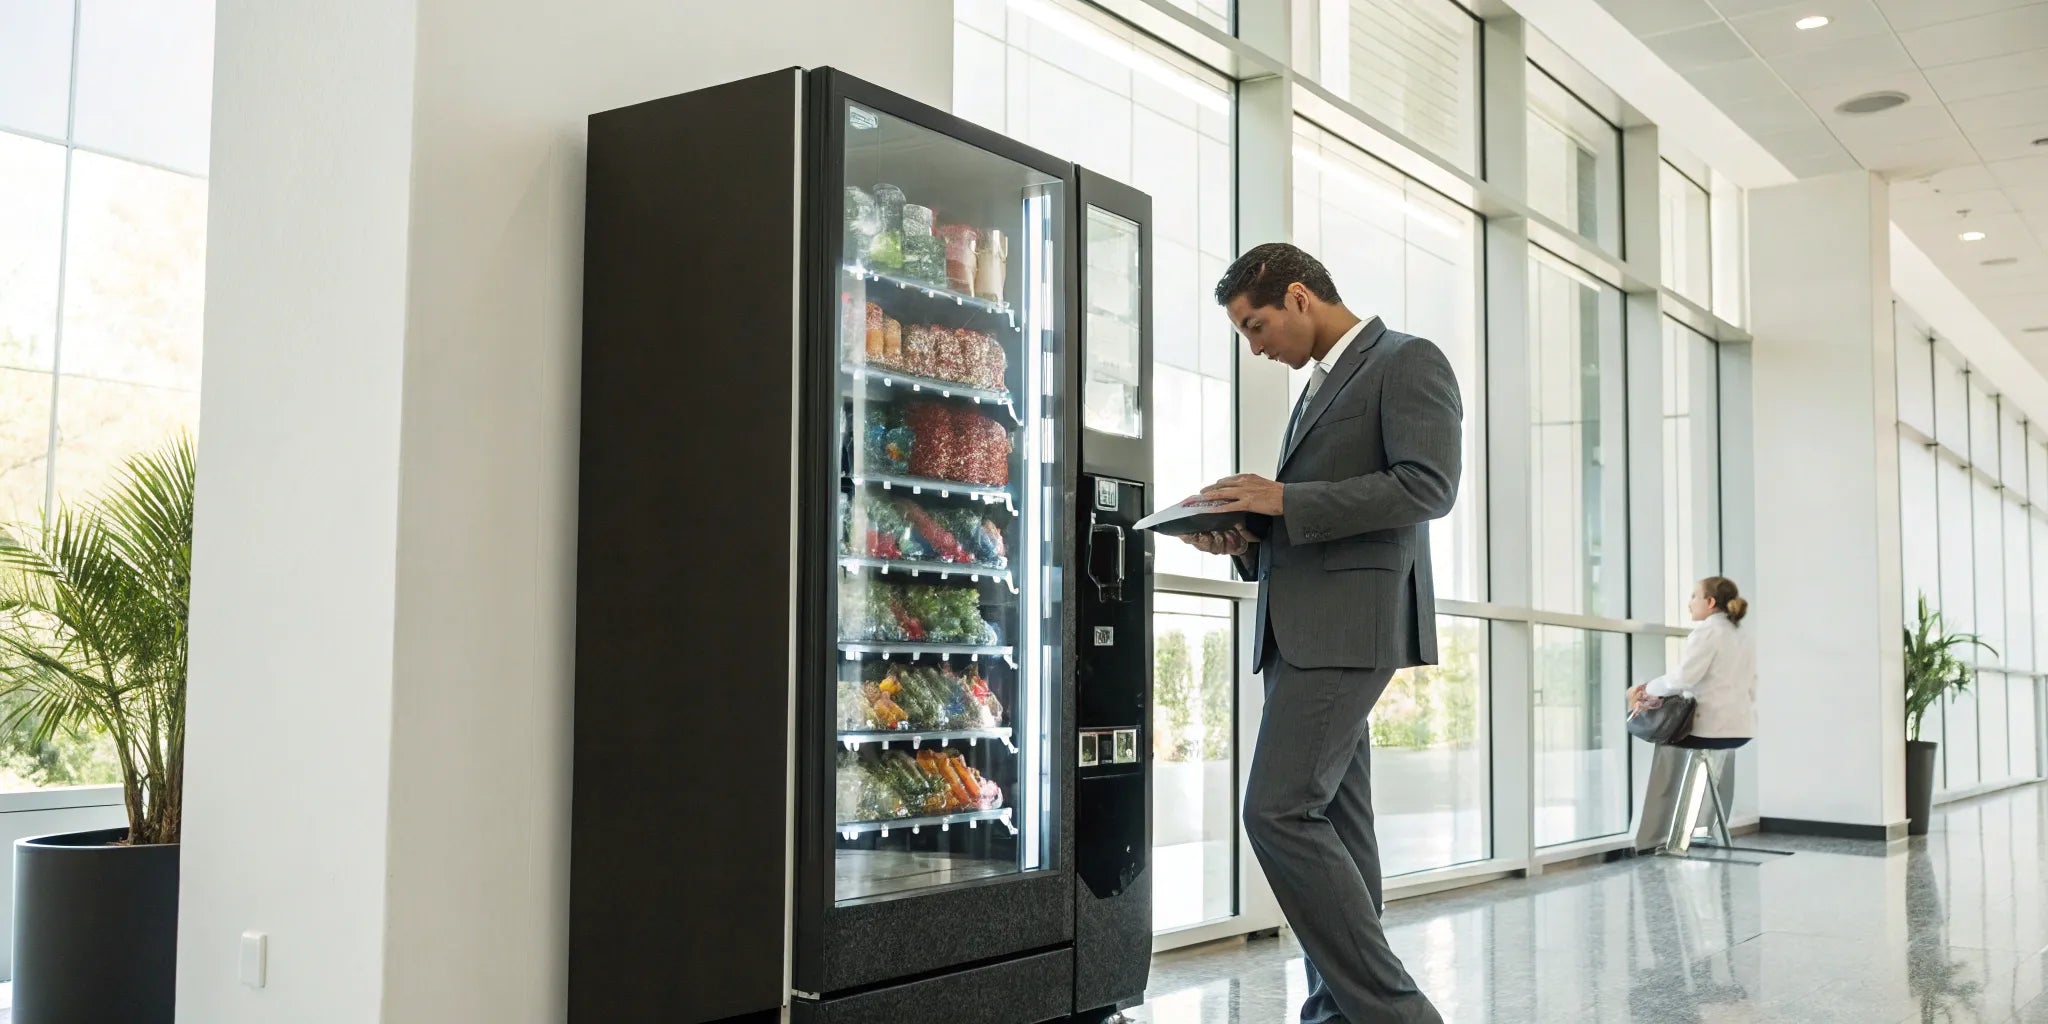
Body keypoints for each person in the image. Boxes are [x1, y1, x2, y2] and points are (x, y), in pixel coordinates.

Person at [1185, 242, 1459, 1024]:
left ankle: (1400, 1017)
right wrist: (1246, 537)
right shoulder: (1318, 388)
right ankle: (1337, 1018)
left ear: (1300, 298)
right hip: (1302, 623)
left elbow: (1427, 486)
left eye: (1257, 324)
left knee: (1276, 812)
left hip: (1348, 625)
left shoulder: (1407, 360)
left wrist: (1283, 503)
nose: (1256, 345)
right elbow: (1306, 513)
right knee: (1338, 824)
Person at [1628, 576, 1757, 751]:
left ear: (1710, 602)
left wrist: (1647, 689)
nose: (1690, 603)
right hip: (1742, 729)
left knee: (1661, 734)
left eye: (1694, 596)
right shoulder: (1742, 634)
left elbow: (1682, 679)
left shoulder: (1708, 631)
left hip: (1709, 731)